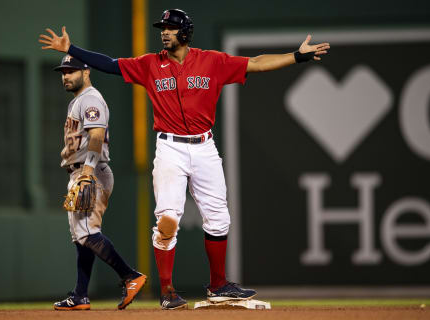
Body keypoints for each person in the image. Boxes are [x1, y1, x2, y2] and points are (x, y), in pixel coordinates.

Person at [39, 8, 330, 310]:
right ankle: (167, 291)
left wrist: (296, 56)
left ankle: (218, 286)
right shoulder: (150, 64)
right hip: (170, 148)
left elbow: (255, 63)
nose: (163, 32)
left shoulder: (212, 61)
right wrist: (71, 50)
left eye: (170, 28)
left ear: (185, 32)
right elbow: (110, 65)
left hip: (205, 146)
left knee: (219, 218)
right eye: (161, 28)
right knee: (167, 219)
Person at [51, 54, 146, 311]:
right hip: (83, 170)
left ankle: (130, 276)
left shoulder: (91, 99)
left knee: (86, 233)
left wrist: (88, 172)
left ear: (86, 71)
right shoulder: (80, 101)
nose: (66, 76)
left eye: (71, 71)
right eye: (63, 72)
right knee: (81, 235)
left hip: (90, 170)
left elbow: (96, 135)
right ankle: (80, 295)